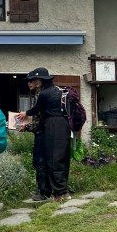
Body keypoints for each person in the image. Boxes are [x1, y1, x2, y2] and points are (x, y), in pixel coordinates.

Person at [15, 67, 70, 202]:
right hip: (60, 128)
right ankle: (59, 190)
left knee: (44, 161)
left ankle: (48, 191)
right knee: (59, 159)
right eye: (29, 80)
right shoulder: (57, 91)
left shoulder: (43, 95)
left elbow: (38, 115)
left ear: (40, 81)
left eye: (32, 80)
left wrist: (26, 122)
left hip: (47, 130)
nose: (29, 83)